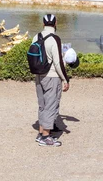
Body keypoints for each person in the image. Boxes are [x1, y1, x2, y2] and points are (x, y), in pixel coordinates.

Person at [33, 14, 70, 147]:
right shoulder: (55, 39)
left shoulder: (36, 36)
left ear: (43, 23)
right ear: (55, 23)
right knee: (51, 105)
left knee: (42, 104)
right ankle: (46, 137)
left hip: (38, 75)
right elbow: (58, 62)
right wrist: (65, 79)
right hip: (52, 76)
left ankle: (41, 132)